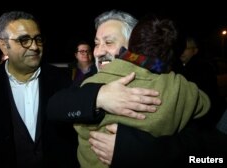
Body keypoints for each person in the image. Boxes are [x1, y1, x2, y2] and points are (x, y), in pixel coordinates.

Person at [0, 10, 161, 168]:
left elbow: (190, 154)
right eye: (24, 40)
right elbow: (59, 107)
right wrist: (98, 96)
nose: (34, 46)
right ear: (3, 45)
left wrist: (139, 150)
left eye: (38, 39)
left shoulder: (168, 84)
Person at [74, 15, 210, 168]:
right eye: (96, 43)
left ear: (130, 43)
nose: (98, 52)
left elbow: (79, 125)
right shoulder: (180, 87)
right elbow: (204, 104)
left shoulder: (92, 83)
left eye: (109, 42)